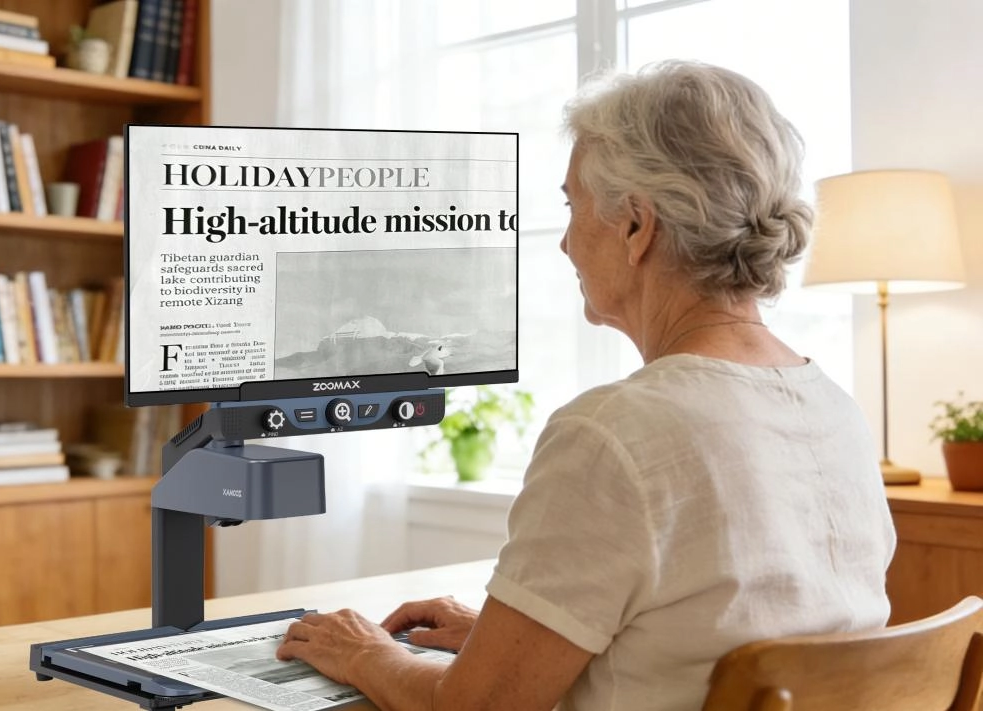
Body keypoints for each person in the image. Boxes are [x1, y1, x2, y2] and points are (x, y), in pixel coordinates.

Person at [275, 60, 896, 711]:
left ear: (636, 225)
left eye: (572, 207)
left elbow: (474, 709)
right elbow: (720, 625)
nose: (567, 243)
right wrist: (512, 636)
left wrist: (370, 652)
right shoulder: (833, 409)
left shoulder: (613, 435)